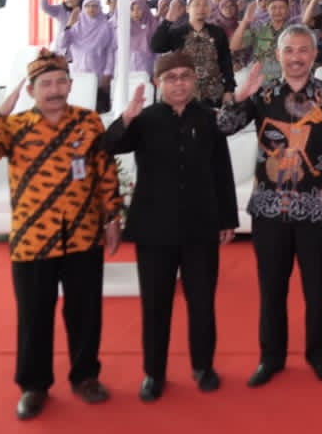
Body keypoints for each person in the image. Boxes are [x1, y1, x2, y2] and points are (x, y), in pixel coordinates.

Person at [0, 49, 122, 420]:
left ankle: (85, 377)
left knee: (85, 313)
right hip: (34, 238)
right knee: (34, 316)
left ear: (70, 84)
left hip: (83, 234)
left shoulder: (89, 122)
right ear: (31, 90)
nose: (54, 90)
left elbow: (104, 170)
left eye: (60, 82)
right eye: (45, 84)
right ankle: (34, 386)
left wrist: (112, 216)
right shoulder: (14, 127)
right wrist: (0, 113)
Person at [219, 25, 322, 388]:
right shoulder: (262, 94)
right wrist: (238, 96)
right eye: (289, 51)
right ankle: (271, 357)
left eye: (303, 50)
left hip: (318, 210)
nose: (296, 57)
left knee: (318, 288)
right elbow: (223, 127)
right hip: (268, 210)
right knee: (271, 288)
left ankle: (320, 355)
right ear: (278, 55)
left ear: (314, 56)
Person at [104, 52, 237, 402]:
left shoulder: (209, 119)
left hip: (201, 227)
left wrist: (227, 218)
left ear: (195, 81)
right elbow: (108, 147)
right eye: (171, 77)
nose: (179, 83)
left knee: (202, 302)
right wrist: (125, 119)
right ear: (158, 83)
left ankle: (204, 367)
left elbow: (221, 170)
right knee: (155, 304)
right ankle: (154, 373)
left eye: (185, 76)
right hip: (154, 230)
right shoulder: (144, 120)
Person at [151, 0, 236, 107]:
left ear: (209, 9)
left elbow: (226, 62)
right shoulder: (177, 33)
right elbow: (156, 46)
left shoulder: (218, 32)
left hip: (213, 93)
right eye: (197, 5)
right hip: (184, 93)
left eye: (205, 5)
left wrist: (229, 89)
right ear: (187, 9)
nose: (201, 8)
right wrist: (168, 20)